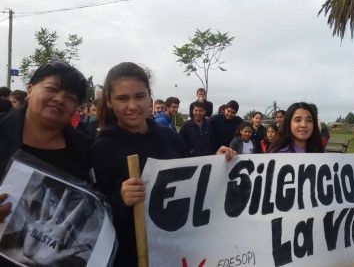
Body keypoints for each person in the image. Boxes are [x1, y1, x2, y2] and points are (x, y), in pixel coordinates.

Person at [89, 62, 235, 267]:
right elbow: (93, 217)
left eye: (139, 96)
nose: (133, 105)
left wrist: (216, 162)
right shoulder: (101, 148)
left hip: (176, 251)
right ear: (110, 101)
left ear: (149, 97)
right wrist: (120, 199)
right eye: (122, 98)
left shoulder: (169, 137)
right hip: (130, 256)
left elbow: (192, 180)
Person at [0, 60, 91, 265]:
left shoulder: (86, 150)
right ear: (30, 90)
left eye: (70, 97)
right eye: (52, 89)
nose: (59, 99)